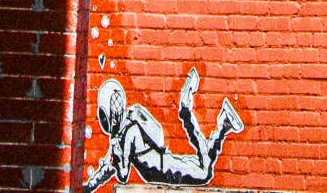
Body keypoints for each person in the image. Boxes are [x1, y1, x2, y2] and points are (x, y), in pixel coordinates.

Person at [86, 68, 244, 189]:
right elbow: (107, 168)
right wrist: (89, 186)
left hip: (165, 169)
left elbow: (122, 175)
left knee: (204, 172)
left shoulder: (129, 134)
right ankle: (222, 125)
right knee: (205, 164)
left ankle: (190, 112)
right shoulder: (120, 137)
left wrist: (117, 154)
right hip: (163, 167)